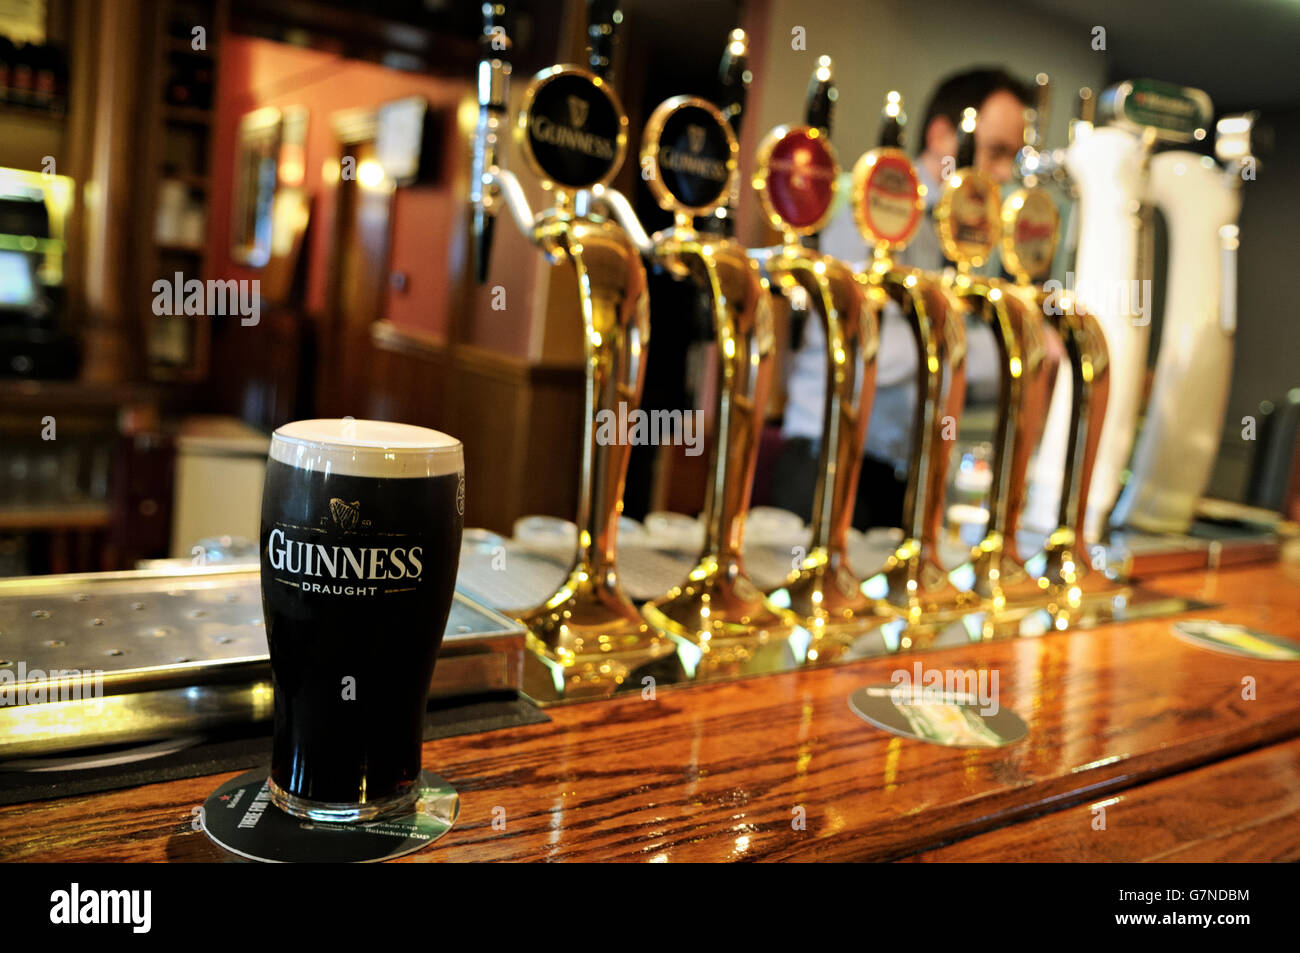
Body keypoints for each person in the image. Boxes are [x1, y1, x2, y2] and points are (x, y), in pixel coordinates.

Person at [771, 67, 1034, 530]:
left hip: (898, 475)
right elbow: (870, 350)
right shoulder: (867, 203)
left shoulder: (963, 231)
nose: (1002, 173)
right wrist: (996, 347)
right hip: (823, 460)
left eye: (1012, 157)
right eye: (994, 152)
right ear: (940, 134)